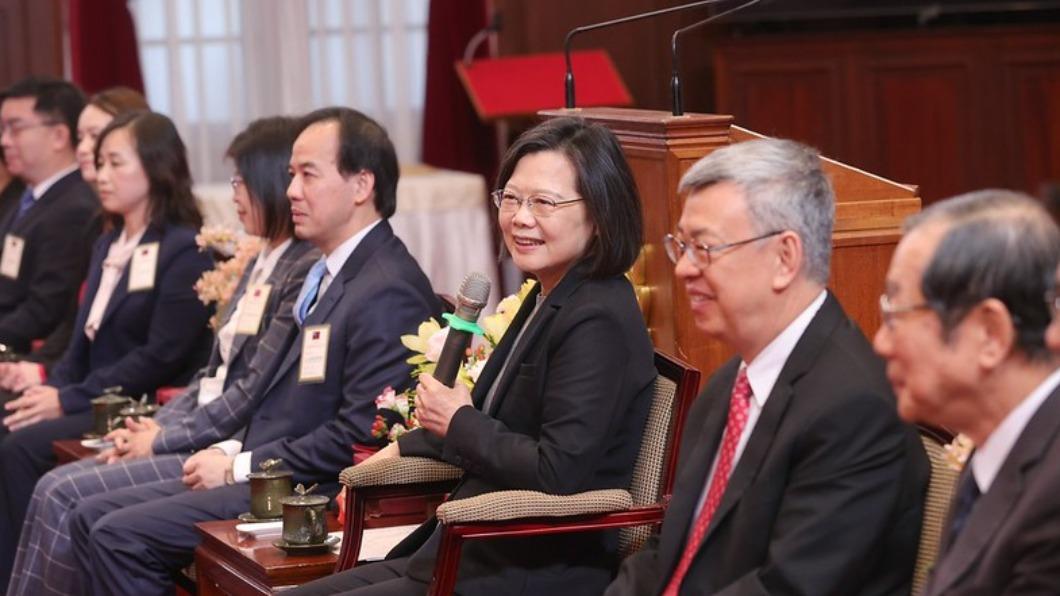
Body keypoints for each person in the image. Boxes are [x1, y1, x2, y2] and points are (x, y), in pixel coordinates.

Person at [70, 107, 439, 596]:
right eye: (290, 175)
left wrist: (240, 465)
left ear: (361, 185)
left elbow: (352, 437)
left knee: (118, 536)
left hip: (305, 491)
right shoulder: (329, 271)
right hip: (265, 466)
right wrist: (227, 449)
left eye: (308, 174)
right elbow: (273, 393)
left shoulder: (386, 286)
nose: (291, 191)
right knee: (90, 514)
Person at [290, 117, 656, 596]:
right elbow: (487, 417)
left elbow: (558, 472)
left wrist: (458, 418)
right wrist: (401, 446)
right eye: (511, 198)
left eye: (543, 202)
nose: (521, 218)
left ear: (600, 212)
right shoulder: (550, 291)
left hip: (530, 565)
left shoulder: (598, 316)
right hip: (468, 551)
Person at [5, 116, 319, 596]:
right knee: (57, 488)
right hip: (189, 422)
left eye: (240, 180)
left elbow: (237, 383)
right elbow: (211, 372)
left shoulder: (295, 267)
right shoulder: (259, 258)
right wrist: (155, 426)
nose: (234, 193)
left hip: (225, 444)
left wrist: (162, 434)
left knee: (68, 496)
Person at [606, 138, 929, 596]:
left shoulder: (854, 409)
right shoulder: (728, 384)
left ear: (784, 258)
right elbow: (669, 550)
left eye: (706, 248)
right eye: (683, 246)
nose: (682, 270)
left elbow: (789, 588)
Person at [0, 110, 214, 588]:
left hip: (134, 404)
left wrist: (67, 399)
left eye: (115, 163)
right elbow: (81, 340)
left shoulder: (184, 248)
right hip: (88, 392)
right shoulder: (109, 242)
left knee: (18, 448)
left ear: (156, 167)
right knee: (12, 413)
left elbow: (158, 355)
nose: (100, 175)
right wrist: (52, 389)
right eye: (99, 163)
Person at [872, 190, 1060, 595]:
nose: (881, 343)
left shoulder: (1053, 492)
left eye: (896, 315)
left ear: (990, 333)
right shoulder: (994, 445)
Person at [0, 86, 150, 391]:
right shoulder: (106, 229)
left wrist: (46, 372)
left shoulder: (81, 212)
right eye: (82, 137)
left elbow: (146, 346)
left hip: (109, 387)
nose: (84, 149)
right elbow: (77, 319)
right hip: (72, 372)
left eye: (96, 136)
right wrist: (41, 367)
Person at [0, 77, 98, 376]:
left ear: (58, 136)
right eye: (2, 129)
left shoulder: (74, 208)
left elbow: (45, 310)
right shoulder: (26, 196)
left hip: (31, 354)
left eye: (15, 128)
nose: (4, 141)